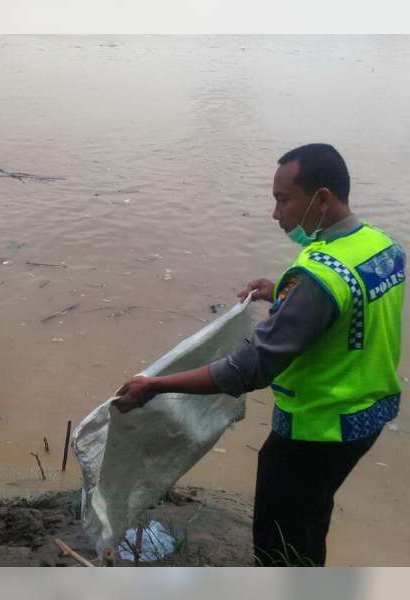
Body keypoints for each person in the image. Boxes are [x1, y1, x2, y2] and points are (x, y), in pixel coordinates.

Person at [113, 144, 405, 566]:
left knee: (281, 540)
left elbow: (247, 368)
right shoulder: (381, 245)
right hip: (370, 415)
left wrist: (156, 385)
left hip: (318, 429)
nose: (275, 214)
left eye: (284, 200)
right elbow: (349, 311)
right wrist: (282, 291)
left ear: (322, 199)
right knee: (313, 515)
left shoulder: (319, 277)